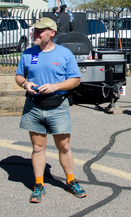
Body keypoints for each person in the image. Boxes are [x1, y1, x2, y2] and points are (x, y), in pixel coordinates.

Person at [15, 17, 86, 203]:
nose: (35, 34)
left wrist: (55, 86)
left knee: (64, 146)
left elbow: (75, 80)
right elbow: (19, 75)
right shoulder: (28, 53)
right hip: (34, 105)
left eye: (40, 31)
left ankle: (71, 181)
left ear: (51, 33)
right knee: (38, 147)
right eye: (35, 31)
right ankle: (39, 185)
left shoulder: (64, 54)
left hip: (57, 106)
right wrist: (25, 83)